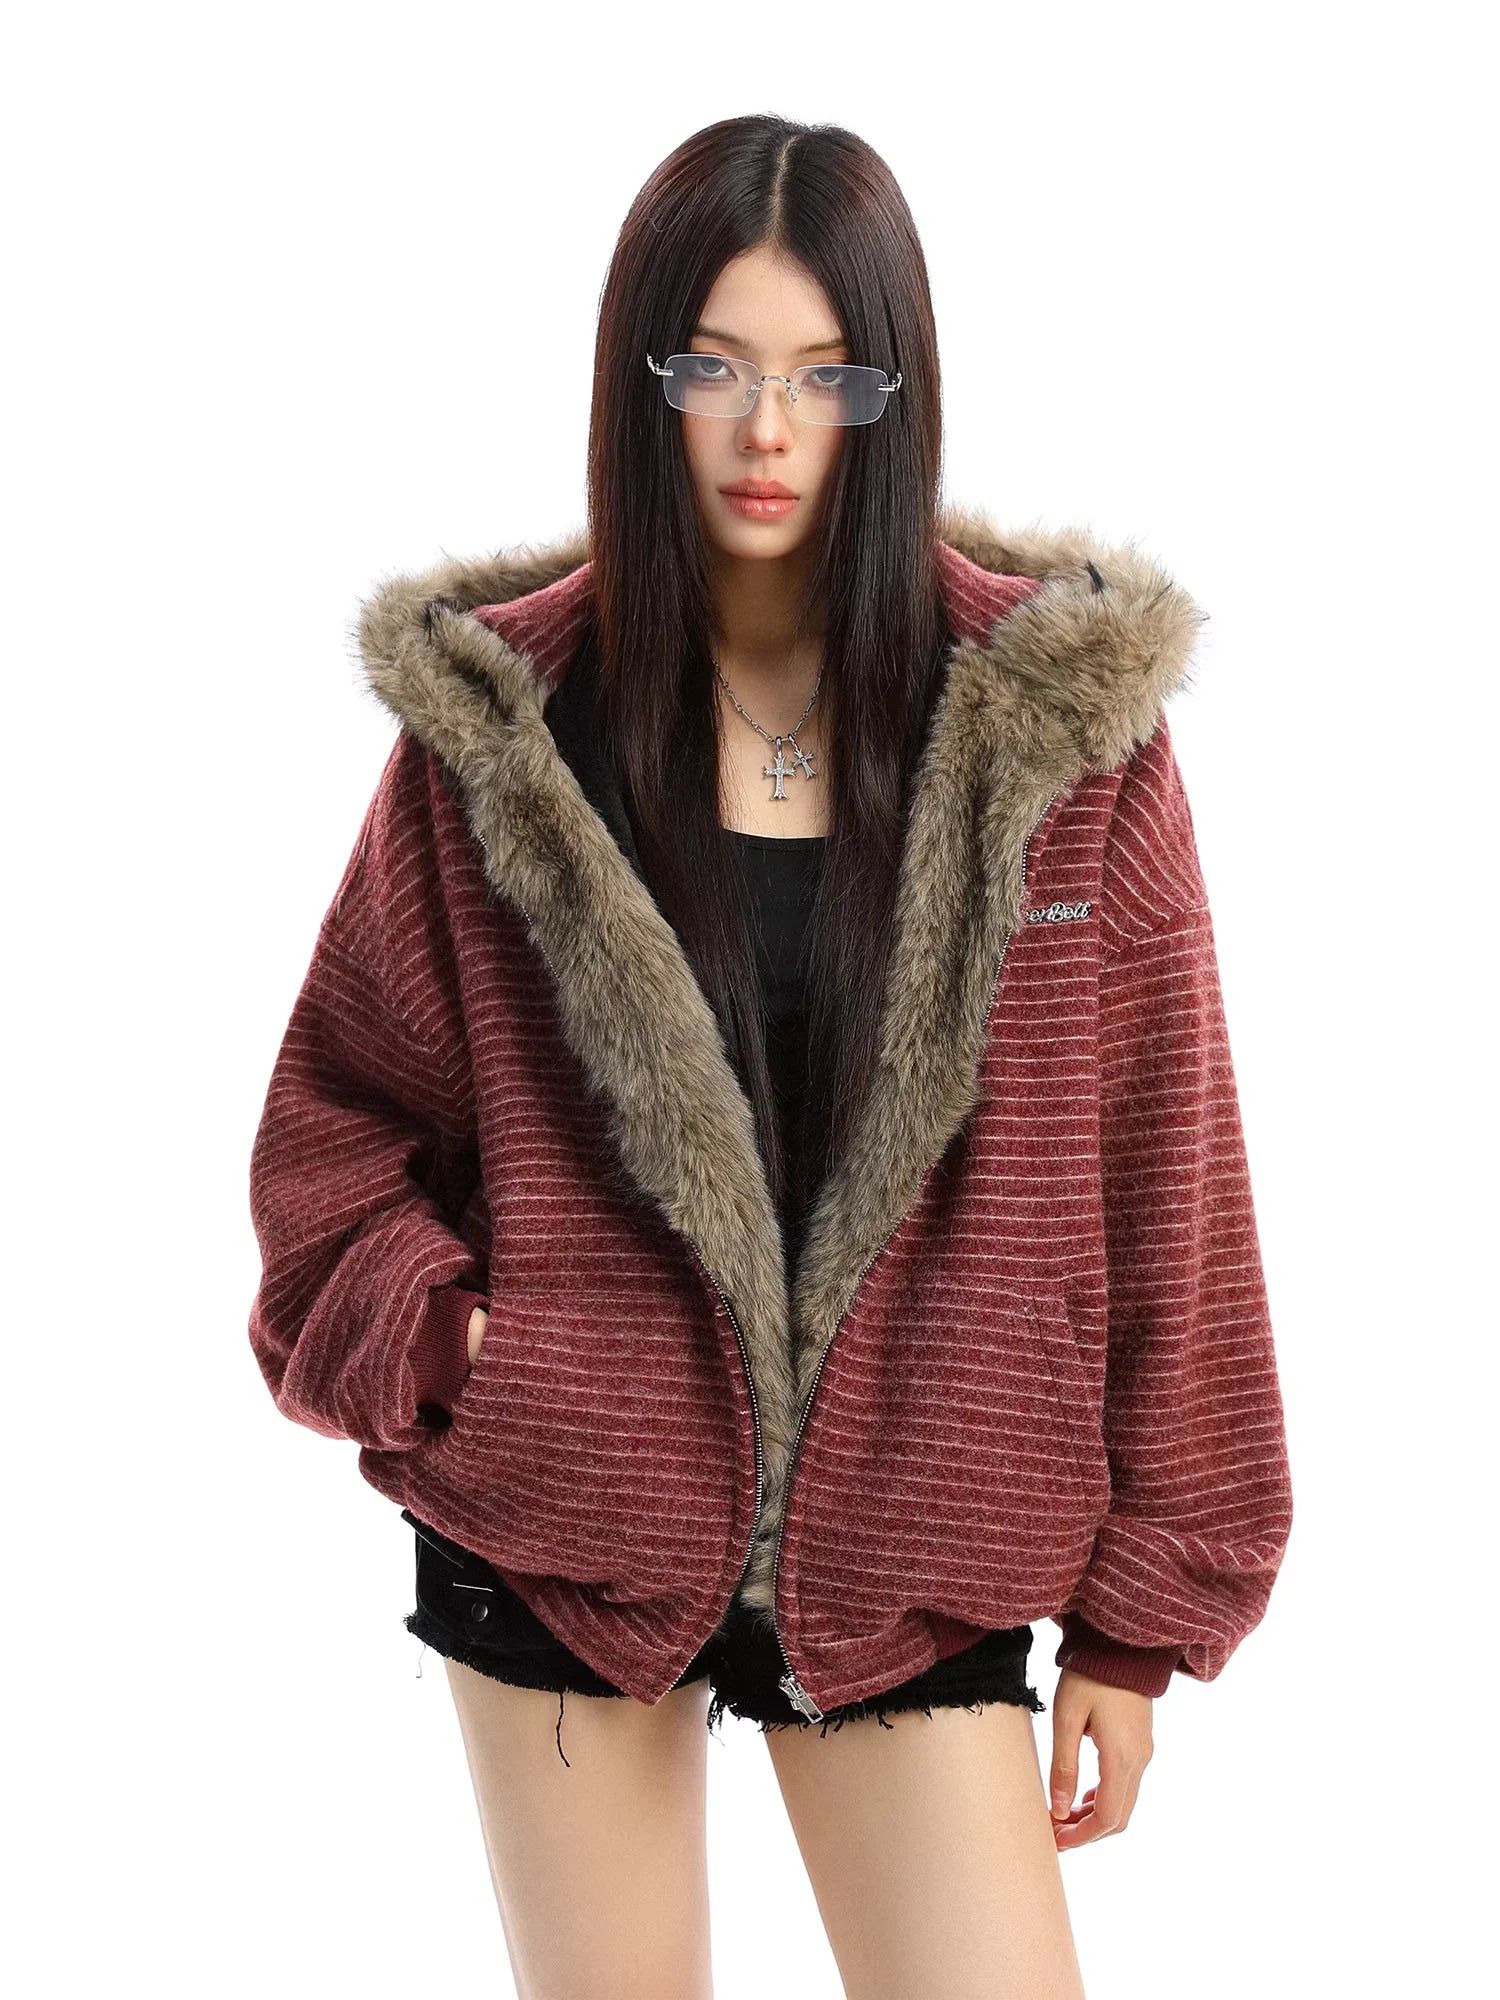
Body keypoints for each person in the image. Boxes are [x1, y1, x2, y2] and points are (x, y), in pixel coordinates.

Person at [246, 113, 1293, 2000]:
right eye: (715, 368)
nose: (768, 431)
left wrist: (1144, 1620)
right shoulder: (504, 737)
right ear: (641, 378)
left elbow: (1172, 1175)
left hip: (920, 1543)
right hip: (568, 1530)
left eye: (827, 376)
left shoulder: (1056, 739)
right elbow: (332, 1144)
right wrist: (481, 1357)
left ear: (895, 396)